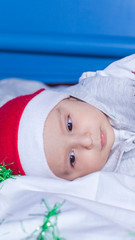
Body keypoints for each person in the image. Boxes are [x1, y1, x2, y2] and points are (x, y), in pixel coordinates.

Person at [0, 54, 135, 181]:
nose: (86, 140)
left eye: (69, 125)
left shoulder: (112, 83)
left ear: (70, 99)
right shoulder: (112, 180)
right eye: (72, 158)